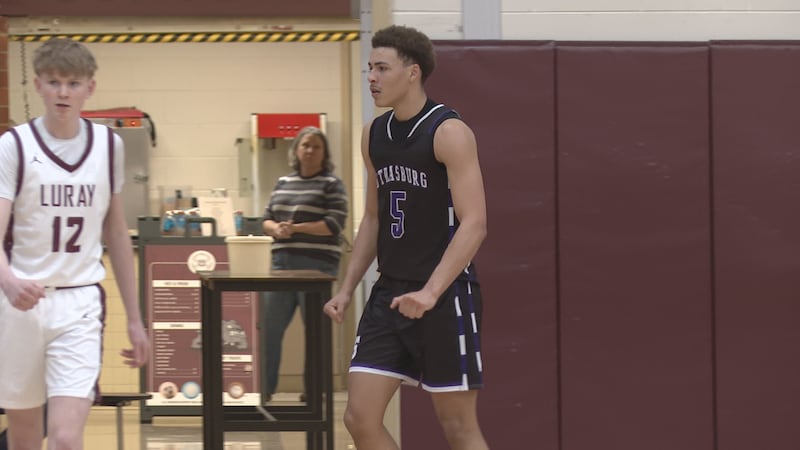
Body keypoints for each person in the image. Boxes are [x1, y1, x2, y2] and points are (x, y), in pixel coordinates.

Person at [324, 25, 489, 450]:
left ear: (412, 73)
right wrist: (345, 289)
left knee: (458, 428)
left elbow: (475, 224)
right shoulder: (372, 135)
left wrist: (432, 292)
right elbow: (374, 220)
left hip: (444, 297)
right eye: (369, 69)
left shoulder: (449, 131)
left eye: (382, 68)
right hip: (388, 295)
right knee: (359, 418)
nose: (372, 78)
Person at [0, 38, 149, 449]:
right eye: (54, 82)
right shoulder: (14, 145)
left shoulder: (108, 146)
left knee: (66, 437)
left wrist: (135, 320)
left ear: (90, 87)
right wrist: (9, 281)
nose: (63, 92)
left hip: (79, 304)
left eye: (72, 82)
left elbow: (116, 233)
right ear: (38, 86)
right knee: (25, 437)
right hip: (21, 303)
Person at [260, 126, 348, 403]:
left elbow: (334, 225)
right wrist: (276, 229)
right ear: (296, 150)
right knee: (269, 329)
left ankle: (314, 392)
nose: (309, 150)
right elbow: (266, 218)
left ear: (325, 153)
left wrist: (296, 228)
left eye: (316, 146)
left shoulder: (331, 184)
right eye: (305, 145)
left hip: (317, 267)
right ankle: (264, 390)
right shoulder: (283, 182)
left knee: (315, 332)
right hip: (281, 264)